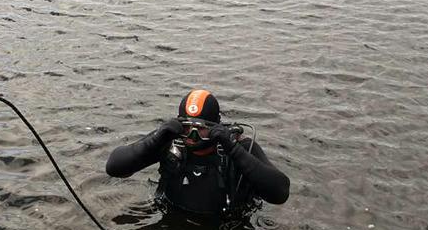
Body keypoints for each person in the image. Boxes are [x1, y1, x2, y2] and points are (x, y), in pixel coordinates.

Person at [105, 89, 290, 222]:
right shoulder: (169, 141)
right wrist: (155, 140)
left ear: (216, 126)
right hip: (172, 219)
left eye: (200, 129)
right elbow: (114, 167)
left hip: (226, 228)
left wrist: (233, 149)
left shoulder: (239, 147)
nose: (192, 137)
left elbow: (280, 193)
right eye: (186, 128)